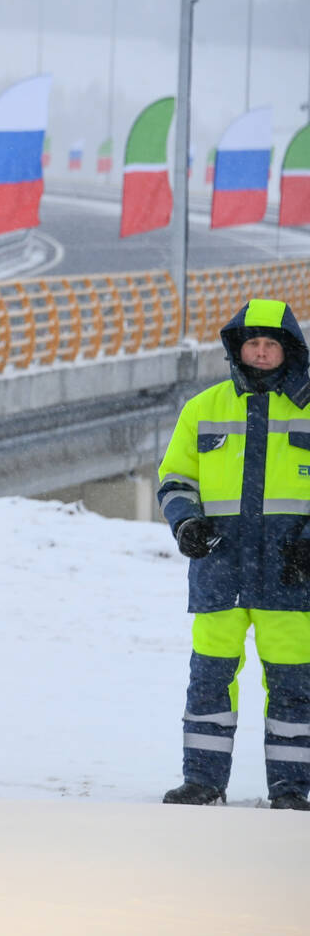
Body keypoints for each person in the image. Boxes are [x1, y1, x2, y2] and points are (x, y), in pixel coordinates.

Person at [157, 298, 310, 810]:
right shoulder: (204, 408)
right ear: (237, 348)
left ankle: (292, 789)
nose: (261, 352)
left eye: (271, 344)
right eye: (253, 343)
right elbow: (177, 479)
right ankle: (202, 782)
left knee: (292, 688)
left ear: (288, 349)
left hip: (293, 574)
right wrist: (187, 523)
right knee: (210, 680)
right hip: (219, 568)